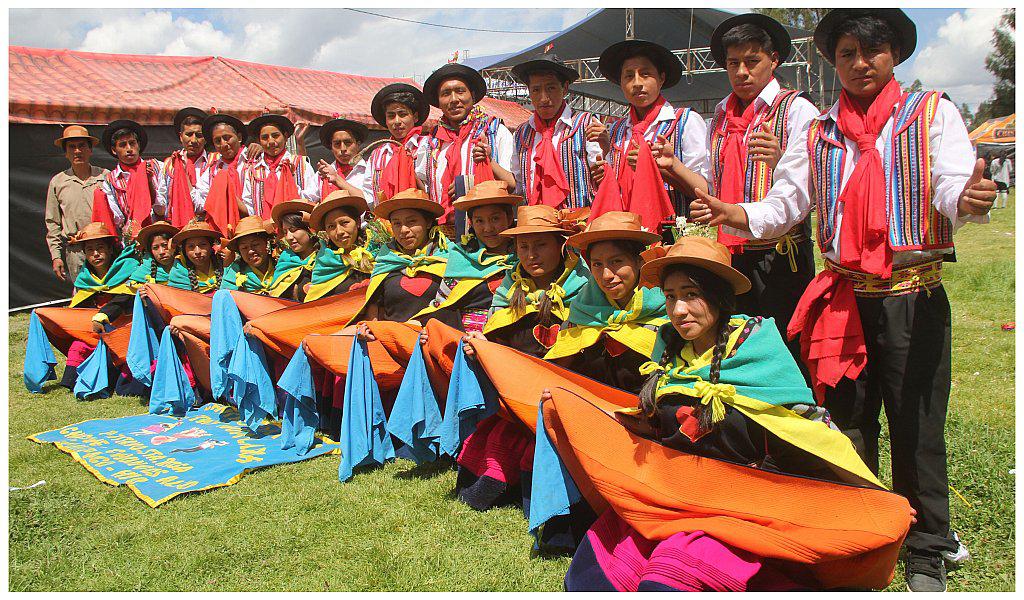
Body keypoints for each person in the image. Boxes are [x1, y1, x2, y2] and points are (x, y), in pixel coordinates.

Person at [689, 9, 997, 591]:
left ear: (894, 54)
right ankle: (860, 527)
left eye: (871, 51)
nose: (860, 63)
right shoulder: (820, 131)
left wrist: (967, 199)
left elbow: (951, 183)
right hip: (843, 298)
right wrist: (739, 213)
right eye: (847, 53)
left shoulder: (931, 113)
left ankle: (927, 544)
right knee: (848, 421)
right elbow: (789, 198)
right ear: (833, 61)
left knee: (916, 423)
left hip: (911, 293)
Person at [553, 235, 911, 591]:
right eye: (671, 296)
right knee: (594, 577)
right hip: (677, 493)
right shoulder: (669, 346)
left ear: (719, 296)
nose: (678, 310)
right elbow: (655, 425)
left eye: (691, 295)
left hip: (743, 503)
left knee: (665, 583)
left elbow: (806, 428)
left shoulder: (755, 347)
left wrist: (873, 499)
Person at [453, 204, 590, 512]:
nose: (531, 255)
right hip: (514, 393)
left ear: (560, 245)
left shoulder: (582, 290)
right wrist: (482, 345)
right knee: (497, 437)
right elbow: (496, 333)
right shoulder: (510, 287)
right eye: (523, 247)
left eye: (541, 245)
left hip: (561, 390)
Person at [704, 13, 821, 357]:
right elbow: (713, 180)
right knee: (736, 345)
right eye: (733, 63)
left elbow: (807, 184)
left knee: (784, 346)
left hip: (780, 256)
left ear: (774, 60)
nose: (742, 72)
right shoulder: (720, 116)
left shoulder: (797, 109)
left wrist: (780, 160)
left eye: (752, 61)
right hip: (730, 253)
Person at [545, 211, 665, 394]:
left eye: (616, 261)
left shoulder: (667, 312)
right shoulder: (583, 312)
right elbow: (558, 372)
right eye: (597, 264)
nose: (606, 275)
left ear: (639, 261)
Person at [594, 39, 708, 232]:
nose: (637, 83)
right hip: (627, 233)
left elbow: (705, 190)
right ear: (621, 83)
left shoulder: (686, 121)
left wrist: (660, 168)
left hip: (674, 235)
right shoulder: (616, 131)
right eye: (629, 76)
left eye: (645, 74)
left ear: (661, 78)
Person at [33, 222, 141, 389]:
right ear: (85, 253)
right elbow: (76, 311)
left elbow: (124, 299)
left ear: (110, 249)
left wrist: (103, 316)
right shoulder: (85, 279)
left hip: (126, 330)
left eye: (100, 248)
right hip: (95, 330)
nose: (96, 254)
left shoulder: (129, 269)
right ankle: (69, 384)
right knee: (78, 346)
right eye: (90, 250)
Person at [419, 63, 516, 233]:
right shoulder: (430, 142)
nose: (453, 99)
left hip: (488, 233)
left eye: (460, 91)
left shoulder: (494, 131)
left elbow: (512, 184)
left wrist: (471, 184)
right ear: (438, 101)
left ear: (473, 95)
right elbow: (424, 191)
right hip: (443, 235)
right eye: (445, 94)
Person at [415, 180, 520, 334]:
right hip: (460, 338)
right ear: (471, 223)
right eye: (479, 221)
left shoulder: (524, 258)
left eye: (495, 219)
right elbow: (442, 303)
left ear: (509, 218)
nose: (487, 228)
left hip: (509, 337)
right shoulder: (462, 257)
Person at [509, 53, 607, 209]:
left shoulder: (586, 124)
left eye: (551, 88)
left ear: (565, 88)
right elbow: (518, 185)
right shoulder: (521, 134)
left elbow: (603, 174)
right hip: (536, 221)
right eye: (536, 90)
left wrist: (607, 154)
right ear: (529, 91)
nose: (543, 98)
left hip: (579, 221)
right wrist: (489, 160)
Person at [355, 188, 449, 325]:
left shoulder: (449, 257)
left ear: (428, 222)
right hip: (393, 335)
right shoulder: (385, 261)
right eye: (397, 223)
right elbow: (374, 313)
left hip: (436, 335)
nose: (403, 230)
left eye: (411, 221)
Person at [45, 125, 108, 283]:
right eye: (72, 147)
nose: (77, 151)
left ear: (90, 150)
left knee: (111, 291)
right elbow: (53, 223)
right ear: (66, 153)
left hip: (104, 248)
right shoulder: (58, 182)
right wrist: (56, 256)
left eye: (82, 146)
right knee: (83, 292)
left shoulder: (105, 177)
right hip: (76, 251)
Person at [92, 119, 166, 237]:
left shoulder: (158, 167)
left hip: (161, 234)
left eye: (132, 143)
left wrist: (149, 183)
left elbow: (161, 209)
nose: (129, 148)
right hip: (133, 236)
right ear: (114, 150)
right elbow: (118, 219)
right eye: (122, 145)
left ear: (138, 145)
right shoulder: (111, 180)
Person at [241, 114, 318, 218]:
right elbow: (249, 205)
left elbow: (312, 197)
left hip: (295, 225)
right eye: (265, 138)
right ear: (259, 141)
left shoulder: (301, 164)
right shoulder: (253, 171)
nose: (271, 141)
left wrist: (291, 181)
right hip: (263, 225)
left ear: (285, 137)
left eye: (275, 136)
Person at [304, 190, 376, 300]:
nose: (339, 232)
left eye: (344, 223)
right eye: (331, 226)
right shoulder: (324, 264)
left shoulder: (378, 252)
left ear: (357, 222)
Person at [365, 83, 430, 203]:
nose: (397, 121)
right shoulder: (377, 155)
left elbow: (435, 189)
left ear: (415, 117)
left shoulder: (429, 146)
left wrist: (409, 170)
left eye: (403, 114)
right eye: (391, 116)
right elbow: (368, 196)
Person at [193, 113, 253, 234]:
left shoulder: (254, 160)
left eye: (227, 138)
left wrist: (226, 193)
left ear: (239, 137)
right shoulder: (212, 170)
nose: (224, 144)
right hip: (222, 231)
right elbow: (200, 203)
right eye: (217, 141)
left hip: (252, 228)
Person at [162, 107, 210, 227]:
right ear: (181, 136)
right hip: (175, 227)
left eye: (199, 135)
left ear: (206, 138)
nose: (193, 140)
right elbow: (161, 203)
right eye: (189, 134)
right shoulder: (169, 164)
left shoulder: (214, 162)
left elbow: (205, 204)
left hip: (206, 227)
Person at [269, 200, 321, 302]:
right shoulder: (285, 261)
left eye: (293, 230)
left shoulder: (326, 257)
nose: (289, 237)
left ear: (310, 229)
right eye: (285, 232)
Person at [314, 117, 370, 201]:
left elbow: (370, 201)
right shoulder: (322, 175)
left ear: (358, 144)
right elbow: (305, 198)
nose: (343, 148)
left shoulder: (370, 170)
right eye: (337, 144)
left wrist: (337, 179)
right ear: (331, 147)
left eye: (348, 143)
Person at [129, 221, 179, 286]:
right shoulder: (144, 272)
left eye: (165, 245)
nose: (161, 252)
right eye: (155, 248)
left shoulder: (186, 268)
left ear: (174, 245)